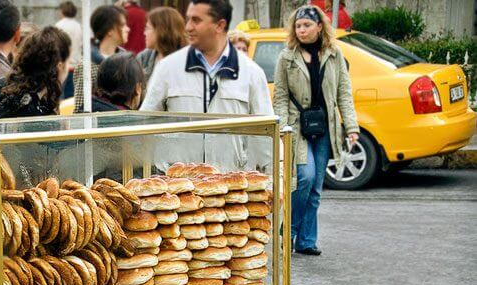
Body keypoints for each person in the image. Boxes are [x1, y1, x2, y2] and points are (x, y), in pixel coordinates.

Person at [141, 0, 273, 171]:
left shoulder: (252, 73)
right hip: (180, 187)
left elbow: (266, 134)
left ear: (220, 25)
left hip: (231, 185)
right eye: (188, 19)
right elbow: (144, 123)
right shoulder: (167, 68)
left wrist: (276, 184)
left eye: (196, 20)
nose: (188, 27)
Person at [273, 5, 357, 256]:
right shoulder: (286, 56)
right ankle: (288, 231)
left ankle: (306, 241)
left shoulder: (334, 54)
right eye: (298, 26)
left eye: (306, 25)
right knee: (304, 178)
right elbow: (280, 96)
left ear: (320, 26)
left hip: (324, 127)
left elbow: (344, 93)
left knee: (316, 187)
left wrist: (351, 127)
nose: (301, 30)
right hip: (297, 127)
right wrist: (283, 127)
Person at [0, 26, 71, 119]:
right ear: (60, 65)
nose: (69, 66)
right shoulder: (27, 106)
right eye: (68, 61)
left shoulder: (5, 83)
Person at [74, 4, 128, 112]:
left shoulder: (127, 62)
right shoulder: (87, 66)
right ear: (110, 30)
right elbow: (80, 109)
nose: (127, 29)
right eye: (123, 25)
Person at [137, 6, 187, 80]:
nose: (144, 33)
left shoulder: (186, 59)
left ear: (161, 31)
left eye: (147, 28)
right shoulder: (145, 57)